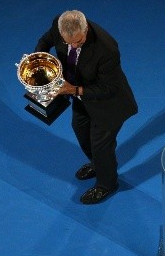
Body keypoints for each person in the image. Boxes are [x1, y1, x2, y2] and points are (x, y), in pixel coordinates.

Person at [35, 10, 138, 204]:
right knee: (80, 129)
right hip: (80, 96)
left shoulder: (107, 48)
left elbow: (109, 88)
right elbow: (44, 41)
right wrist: (39, 61)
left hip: (108, 104)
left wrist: (73, 90)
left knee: (101, 145)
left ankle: (107, 183)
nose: (73, 46)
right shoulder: (60, 23)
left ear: (86, 29)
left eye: (79, 42)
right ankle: (99, 164)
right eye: (68, 43)